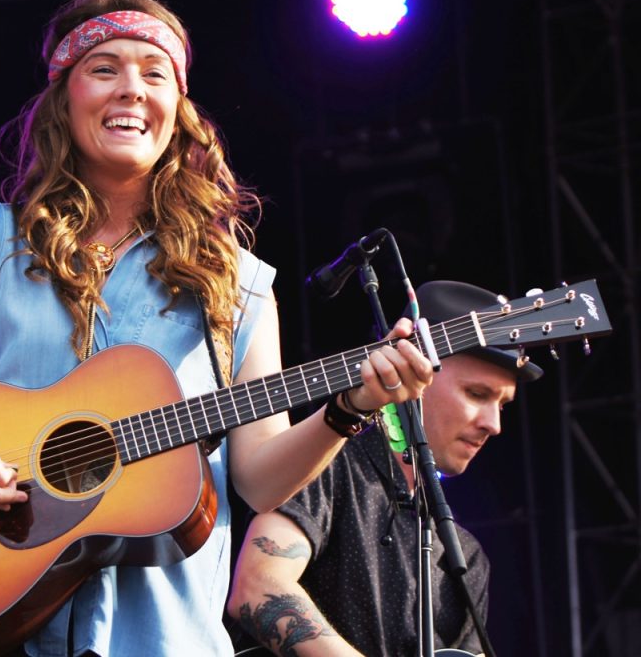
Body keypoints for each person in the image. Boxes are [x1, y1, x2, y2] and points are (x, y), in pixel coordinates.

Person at [0, 0, 433, 657]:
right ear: (64, 98)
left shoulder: (237, 279)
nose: (131, 90)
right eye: (104, 68)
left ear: (179, 110)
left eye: (154, 73)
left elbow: (258, 476)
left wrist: (352, 406)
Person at [226, 280, 544, 656]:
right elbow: (258, 587)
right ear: (416, 374)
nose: (494, 424)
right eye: (477, 394)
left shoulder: (466, 558)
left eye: (502, 405)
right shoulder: (326, 462)